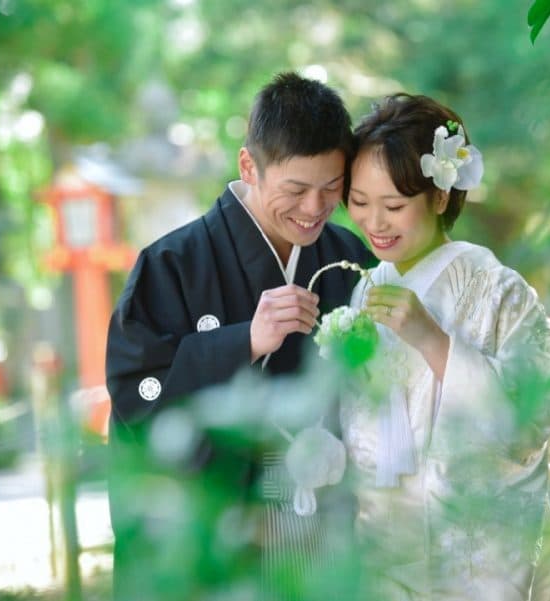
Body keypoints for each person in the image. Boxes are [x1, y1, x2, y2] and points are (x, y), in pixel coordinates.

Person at [105, 71, 373, 600]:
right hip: (219, 529)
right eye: (296, 189)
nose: (314, 209)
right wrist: (242, 341)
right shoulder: (171, 264)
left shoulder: (349, 259)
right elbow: (139, 396)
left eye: (331, 189)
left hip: (324, 524)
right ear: (249, 165)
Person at [339, 93, 550, 600]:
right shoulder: (363, 289)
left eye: (394, 206)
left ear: (441, 197)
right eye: (359, 202)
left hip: (473, 556)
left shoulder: (496, 289)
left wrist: (435, 343)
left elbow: (539, 412)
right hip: (383, 548)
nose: (374, 223)